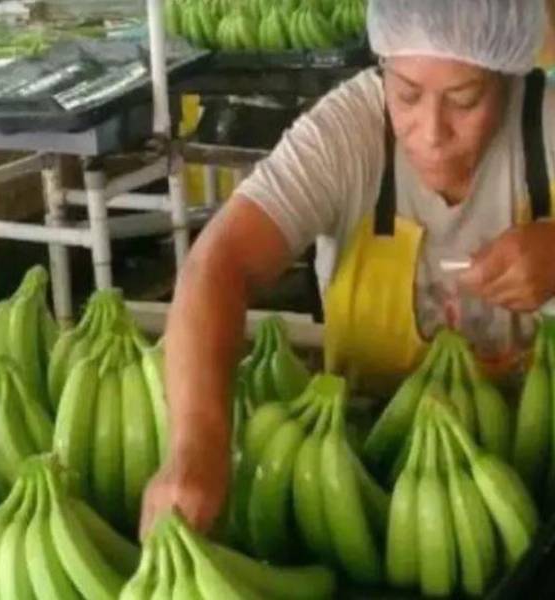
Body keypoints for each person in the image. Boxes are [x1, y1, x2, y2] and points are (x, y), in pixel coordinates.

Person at [140, 0, 555, 537]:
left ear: (507, 75)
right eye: (405, 93)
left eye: (464, 99)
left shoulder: (545, 124)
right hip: (357, 480)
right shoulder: (350, 128)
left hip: (537, 480)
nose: (430, 131)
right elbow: (220, 262)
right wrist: (195, 449)